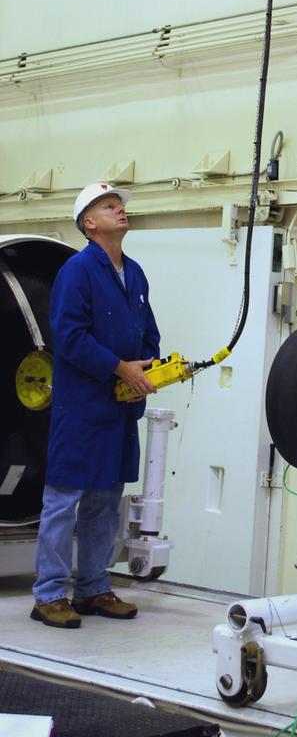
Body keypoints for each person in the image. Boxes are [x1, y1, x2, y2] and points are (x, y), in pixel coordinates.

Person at [31, 183, 160, 628]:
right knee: (64, 500)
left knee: (106, 500)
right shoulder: (77, 271)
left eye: (121, 205)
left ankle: (92, 589)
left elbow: (148, 331)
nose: (120, 211)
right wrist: (119, 368)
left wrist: (149, 370)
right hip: (83, 406)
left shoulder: (136, 273)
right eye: (109, 206)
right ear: (89, 222)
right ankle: (48, 595)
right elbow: (68, 337)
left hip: (120, 407)